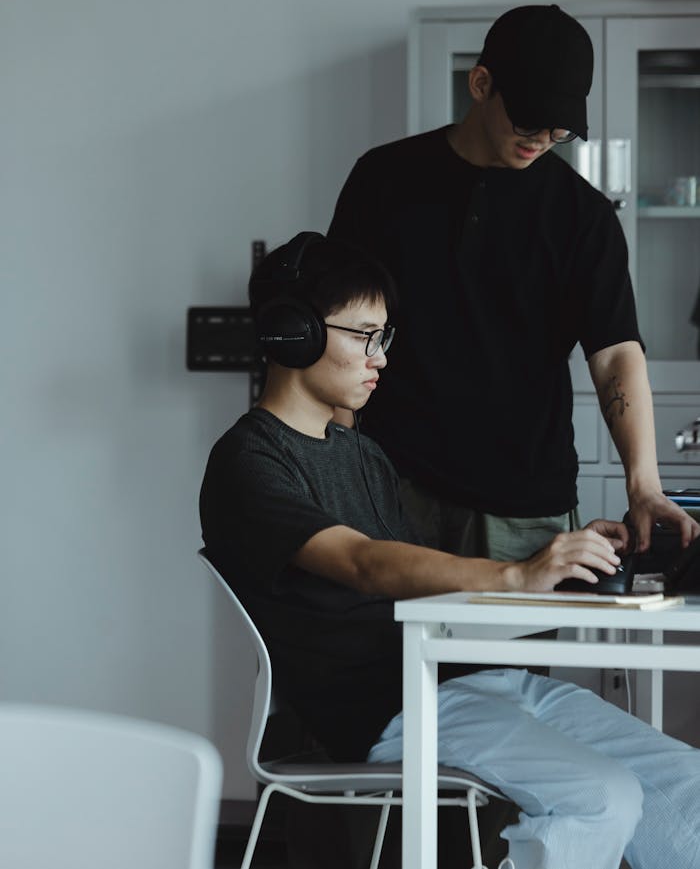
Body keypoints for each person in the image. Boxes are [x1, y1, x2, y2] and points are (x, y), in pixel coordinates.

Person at [199, 231, 700, 869]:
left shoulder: (361, 453)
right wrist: (520, 574)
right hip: (383, 710)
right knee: (600, 798)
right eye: (363, 335)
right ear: (291, 333)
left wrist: (563, 561)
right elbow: (365, 564)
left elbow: (430, 578)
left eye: (385, 337)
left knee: (687, 785)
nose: (379, 356)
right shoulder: (249, 461)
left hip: (455, 680)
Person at [327, 3, 699, 562]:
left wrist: (643, 486)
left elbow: (616, 353)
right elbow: (339, 324)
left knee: (507, 653)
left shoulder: (584, 218)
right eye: (529, 121)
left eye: (560, 129)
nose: (542, 140)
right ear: (481, 84)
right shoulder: (384, 180)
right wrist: (338, 458)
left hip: (524, 505)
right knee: (384, 650)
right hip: (393, 485)